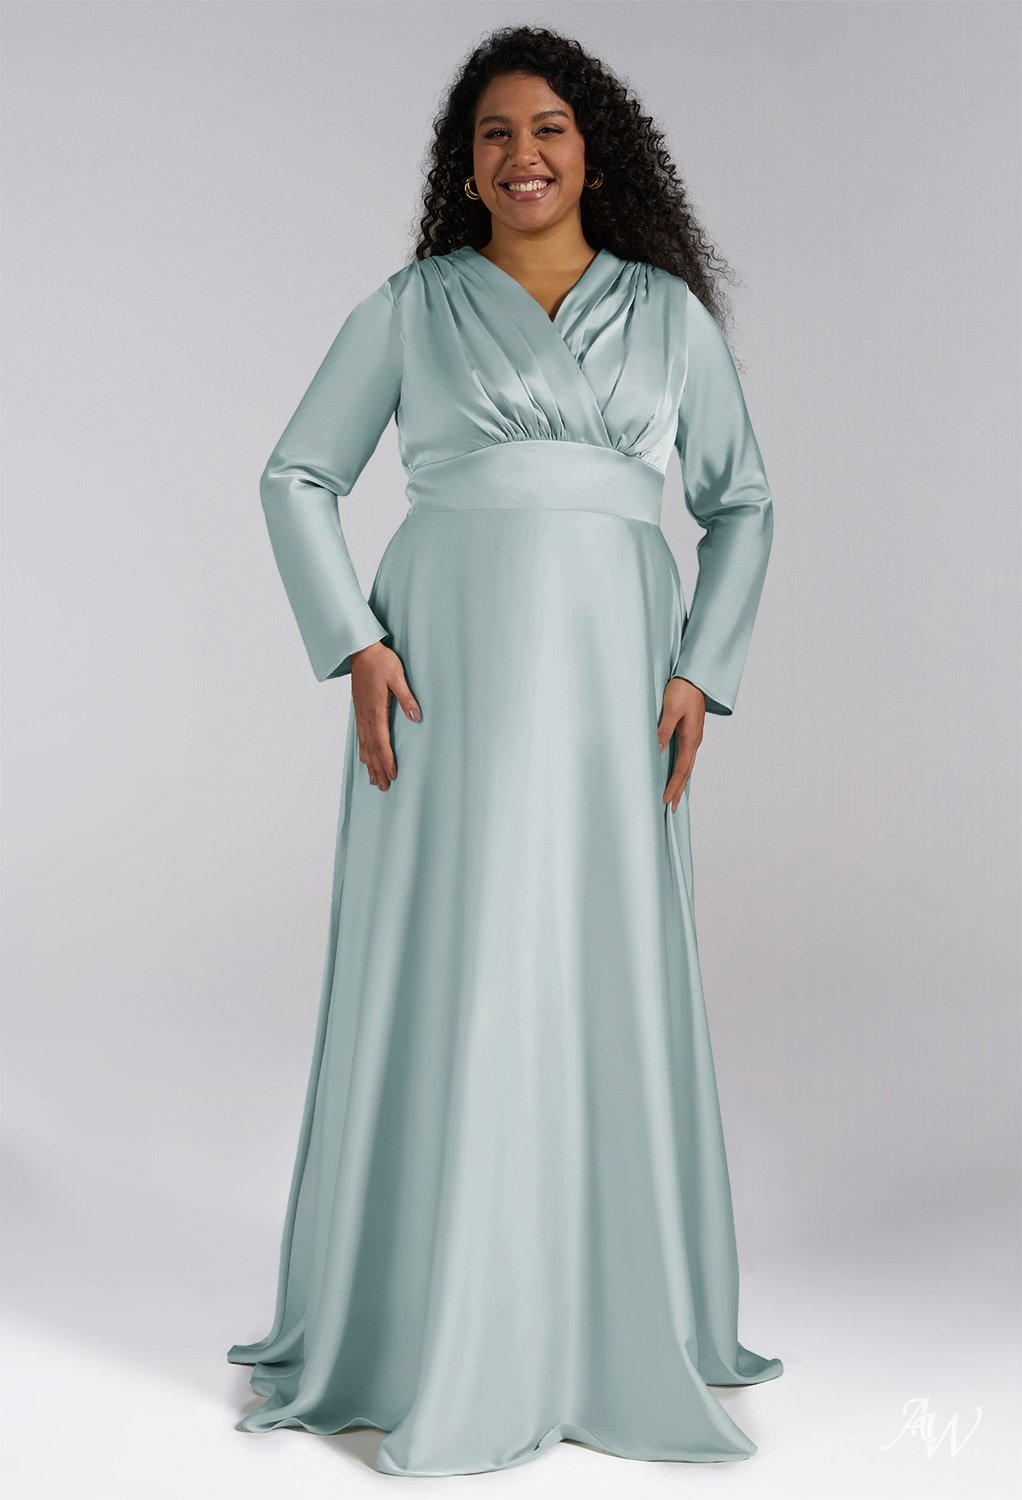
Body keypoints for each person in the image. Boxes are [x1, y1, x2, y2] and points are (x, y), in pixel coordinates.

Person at [227, 24, 783, 1477]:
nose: (521, 153)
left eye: (546, 128)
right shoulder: (412, 308)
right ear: (463, 166)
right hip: (445, 675)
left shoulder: (667, 315)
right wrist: (357, 641)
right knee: (456, 949)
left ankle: (604, 1318)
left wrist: (700, 668)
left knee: (597, 948)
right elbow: (296, 472)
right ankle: (428, 1321)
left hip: (616, 677)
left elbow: (740, 501)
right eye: (492, 134)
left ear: (593, 150)